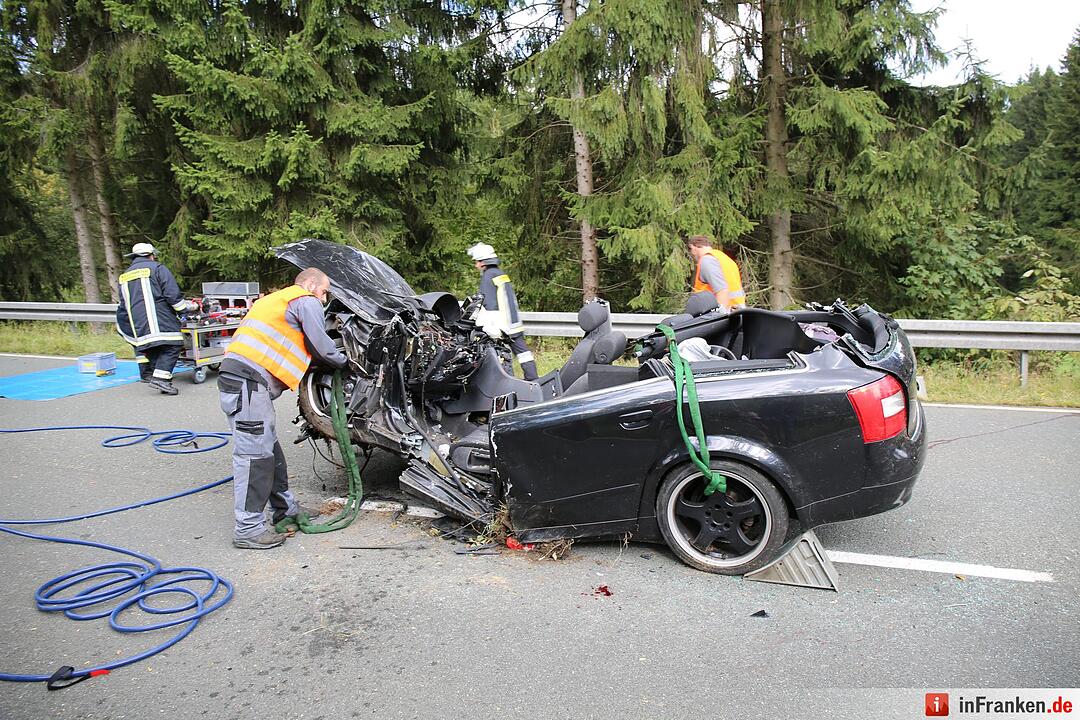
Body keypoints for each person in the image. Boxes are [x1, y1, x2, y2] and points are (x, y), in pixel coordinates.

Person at [217, 267, 347, 550]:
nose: (324, 300)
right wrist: (345, 362)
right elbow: (321, 345)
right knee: (255, 455)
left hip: (245, 381)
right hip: (247, 383)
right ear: (311, 284)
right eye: (324, 291)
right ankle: (248, 528)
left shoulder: (277, 300)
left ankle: (286, 509)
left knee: (269, 449)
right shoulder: (304, 298)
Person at [115, 242, 197, 395]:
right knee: (173, 345)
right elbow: (172, 294)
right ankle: (162, 380)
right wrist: (185, 310)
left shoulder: (124, 276)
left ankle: (157, 376)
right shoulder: (158, 268)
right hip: (160, 319)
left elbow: (123, 302)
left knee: (152, 347)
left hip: (137, 323)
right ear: (151, 255)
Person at [467, 243, 539, 381]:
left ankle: (505, 381)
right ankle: (533, 379)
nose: (476, 265)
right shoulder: (500, 274)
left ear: (483, 262)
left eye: (477, 262)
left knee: (498, 354)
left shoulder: (488, 277)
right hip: (514, 322)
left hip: (502, 324)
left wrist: (490, 326)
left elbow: (489, 304)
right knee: (524, 353)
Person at [686, 235, 746, 312]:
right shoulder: (724, 258)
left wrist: (720, 315)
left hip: (725, 313)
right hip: (737, 310)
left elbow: (722, 290)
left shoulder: (707, 260)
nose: (692, 255)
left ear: (693, 247)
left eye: (690, 250)